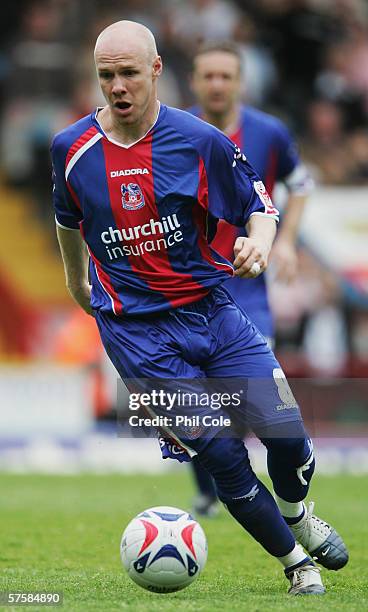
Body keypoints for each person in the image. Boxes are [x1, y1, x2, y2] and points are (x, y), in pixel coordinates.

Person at [52, 20, 348, 596]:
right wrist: (75, 280)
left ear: (157, 70)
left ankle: (297, 516)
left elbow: (261, 205)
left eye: (129, 74)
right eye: (106, 76)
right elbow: (67, 220)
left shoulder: (199, 140)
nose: (118, 87)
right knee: (221, 454)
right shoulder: (72, 148)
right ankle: (296, 563)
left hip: (214, 314)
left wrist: (261, 244)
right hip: (137, 337)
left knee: (288, 437)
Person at [188, 40, 314, 517]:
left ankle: (252, 485)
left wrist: (284, 241)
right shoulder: (175, 132)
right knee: (195, 396)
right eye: (208, 76)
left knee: (246, 395)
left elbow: (299, 184)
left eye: (226, 76)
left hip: (248, 285)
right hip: (193, 287)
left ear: (240, 81)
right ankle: (211, 488)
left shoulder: (269, 132)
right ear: (195, 81)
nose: (217, 84)